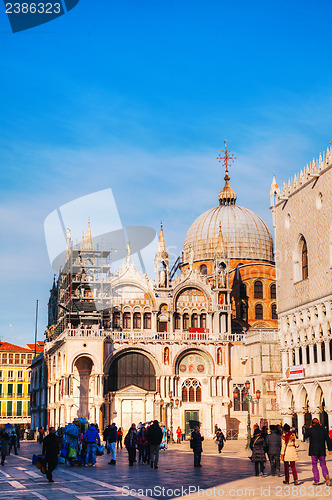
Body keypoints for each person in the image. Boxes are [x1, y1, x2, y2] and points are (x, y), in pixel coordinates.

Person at [305, 418, 332, 486]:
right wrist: (330, 449)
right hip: (322, 450)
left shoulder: (311, 430)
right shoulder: (323, 430)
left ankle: (316, 480)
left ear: (312, 423)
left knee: (314, 465)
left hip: (314, 451)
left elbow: (305, 435)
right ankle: (326, 476)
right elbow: (328, 440)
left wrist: (309, 428)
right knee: (323, 464)